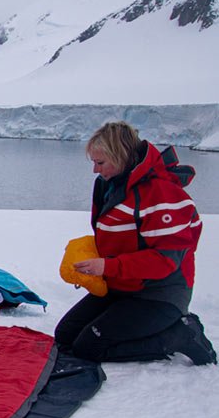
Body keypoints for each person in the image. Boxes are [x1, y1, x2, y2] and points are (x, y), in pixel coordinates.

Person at [54, 121, 215, 365]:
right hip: (123, 287)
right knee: (65, 336)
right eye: (93, 163)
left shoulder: (160, 194)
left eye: (100, 163)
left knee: (88, 347)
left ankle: (179, 335)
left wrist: (106, 267)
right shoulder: (110, 185)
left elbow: (165, 261)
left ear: (120, 158)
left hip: (159, 295)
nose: (95, 171)